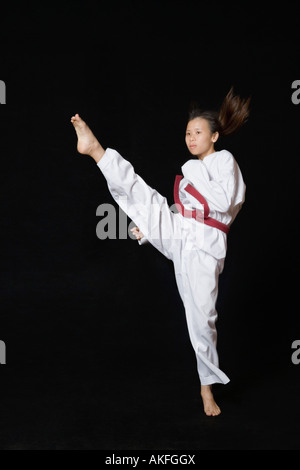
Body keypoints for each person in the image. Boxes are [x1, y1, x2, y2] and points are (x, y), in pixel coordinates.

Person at [70, 88, 249, 416]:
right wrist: (152, 230)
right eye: (187, 133)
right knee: (143, 196)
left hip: (206, 245)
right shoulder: (193, 171)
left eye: (197, 133)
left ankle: (206, 388)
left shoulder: (224, 162)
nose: (191, 137)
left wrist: (191, 173)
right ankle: (96, 150)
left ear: (215, 136)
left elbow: (221, 204)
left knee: (203, 318)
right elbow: (186, 209)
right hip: (182, 231)